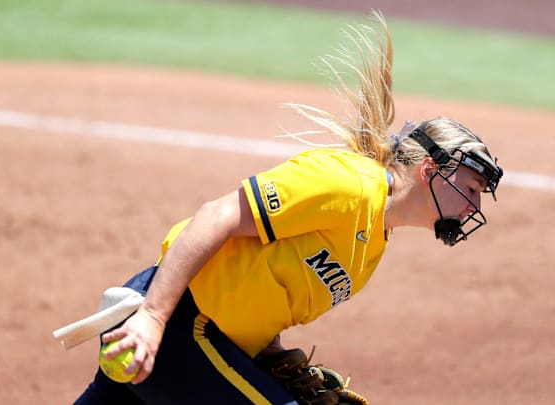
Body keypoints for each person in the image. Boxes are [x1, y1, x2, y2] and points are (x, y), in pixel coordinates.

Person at [72, 11, 503, 405]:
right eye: (471, 187)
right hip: (180, 324)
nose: (474, 204)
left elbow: (261, 285)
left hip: (205, 341)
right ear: (431, 169)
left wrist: (272, 357)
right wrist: (152, 317)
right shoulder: (347, 184)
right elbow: (216, 216)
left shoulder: (373, 243)